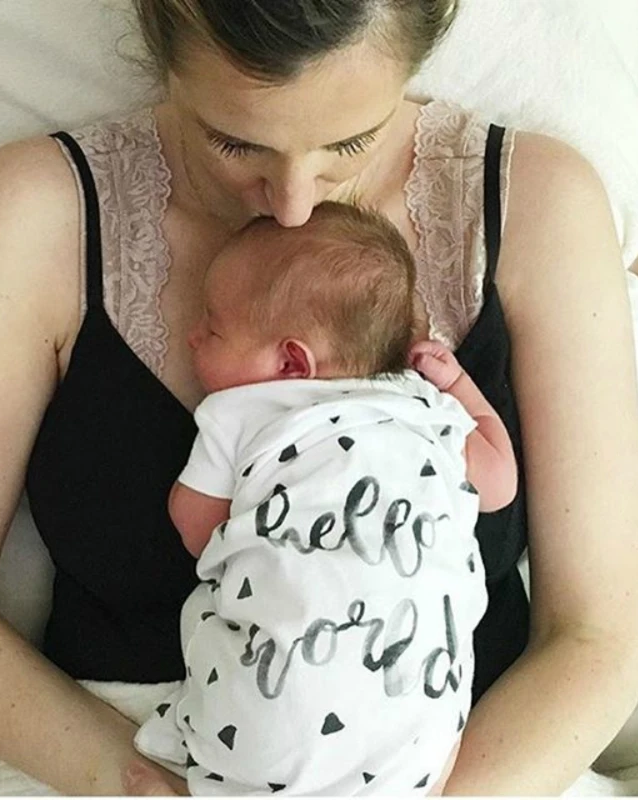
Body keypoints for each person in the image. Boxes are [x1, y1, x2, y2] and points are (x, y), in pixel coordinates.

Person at [0, 0, 638, 795]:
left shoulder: (536, 201)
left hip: (471, 771)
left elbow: (596, 638)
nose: (293, 205)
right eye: (233, 141)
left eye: (350, 142)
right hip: (112, 756)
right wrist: (138, 784)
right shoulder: (37, 210)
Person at [133, 202, 516, 795]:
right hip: (413, 734)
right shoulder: (425, 408)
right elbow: (499, 484)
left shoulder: (240, 411)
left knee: (223, 629)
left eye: (211, 327)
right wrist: (459, 386)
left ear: (292, 362)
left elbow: (195, 528)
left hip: (261, 722)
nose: (191, 336)